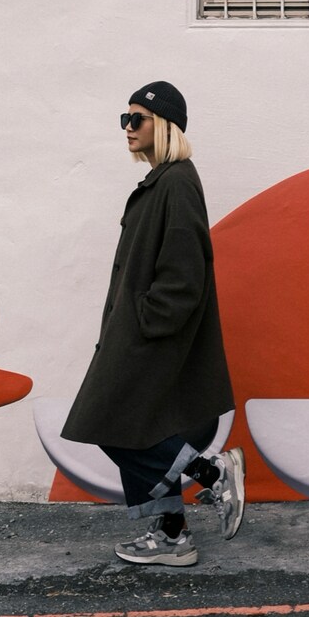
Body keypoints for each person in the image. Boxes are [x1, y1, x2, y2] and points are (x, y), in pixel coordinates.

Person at [62, 81, 244, 567]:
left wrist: (146, 320)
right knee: (139, 428)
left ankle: (212, 474)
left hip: (150, 336)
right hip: (137, 332)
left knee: (110, 422)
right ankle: (172, 534)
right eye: (124, 119)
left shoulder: (177, 182)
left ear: (163, 125)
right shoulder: (161, 181)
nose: (127, 128)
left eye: (136, 118)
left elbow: (185, 274)